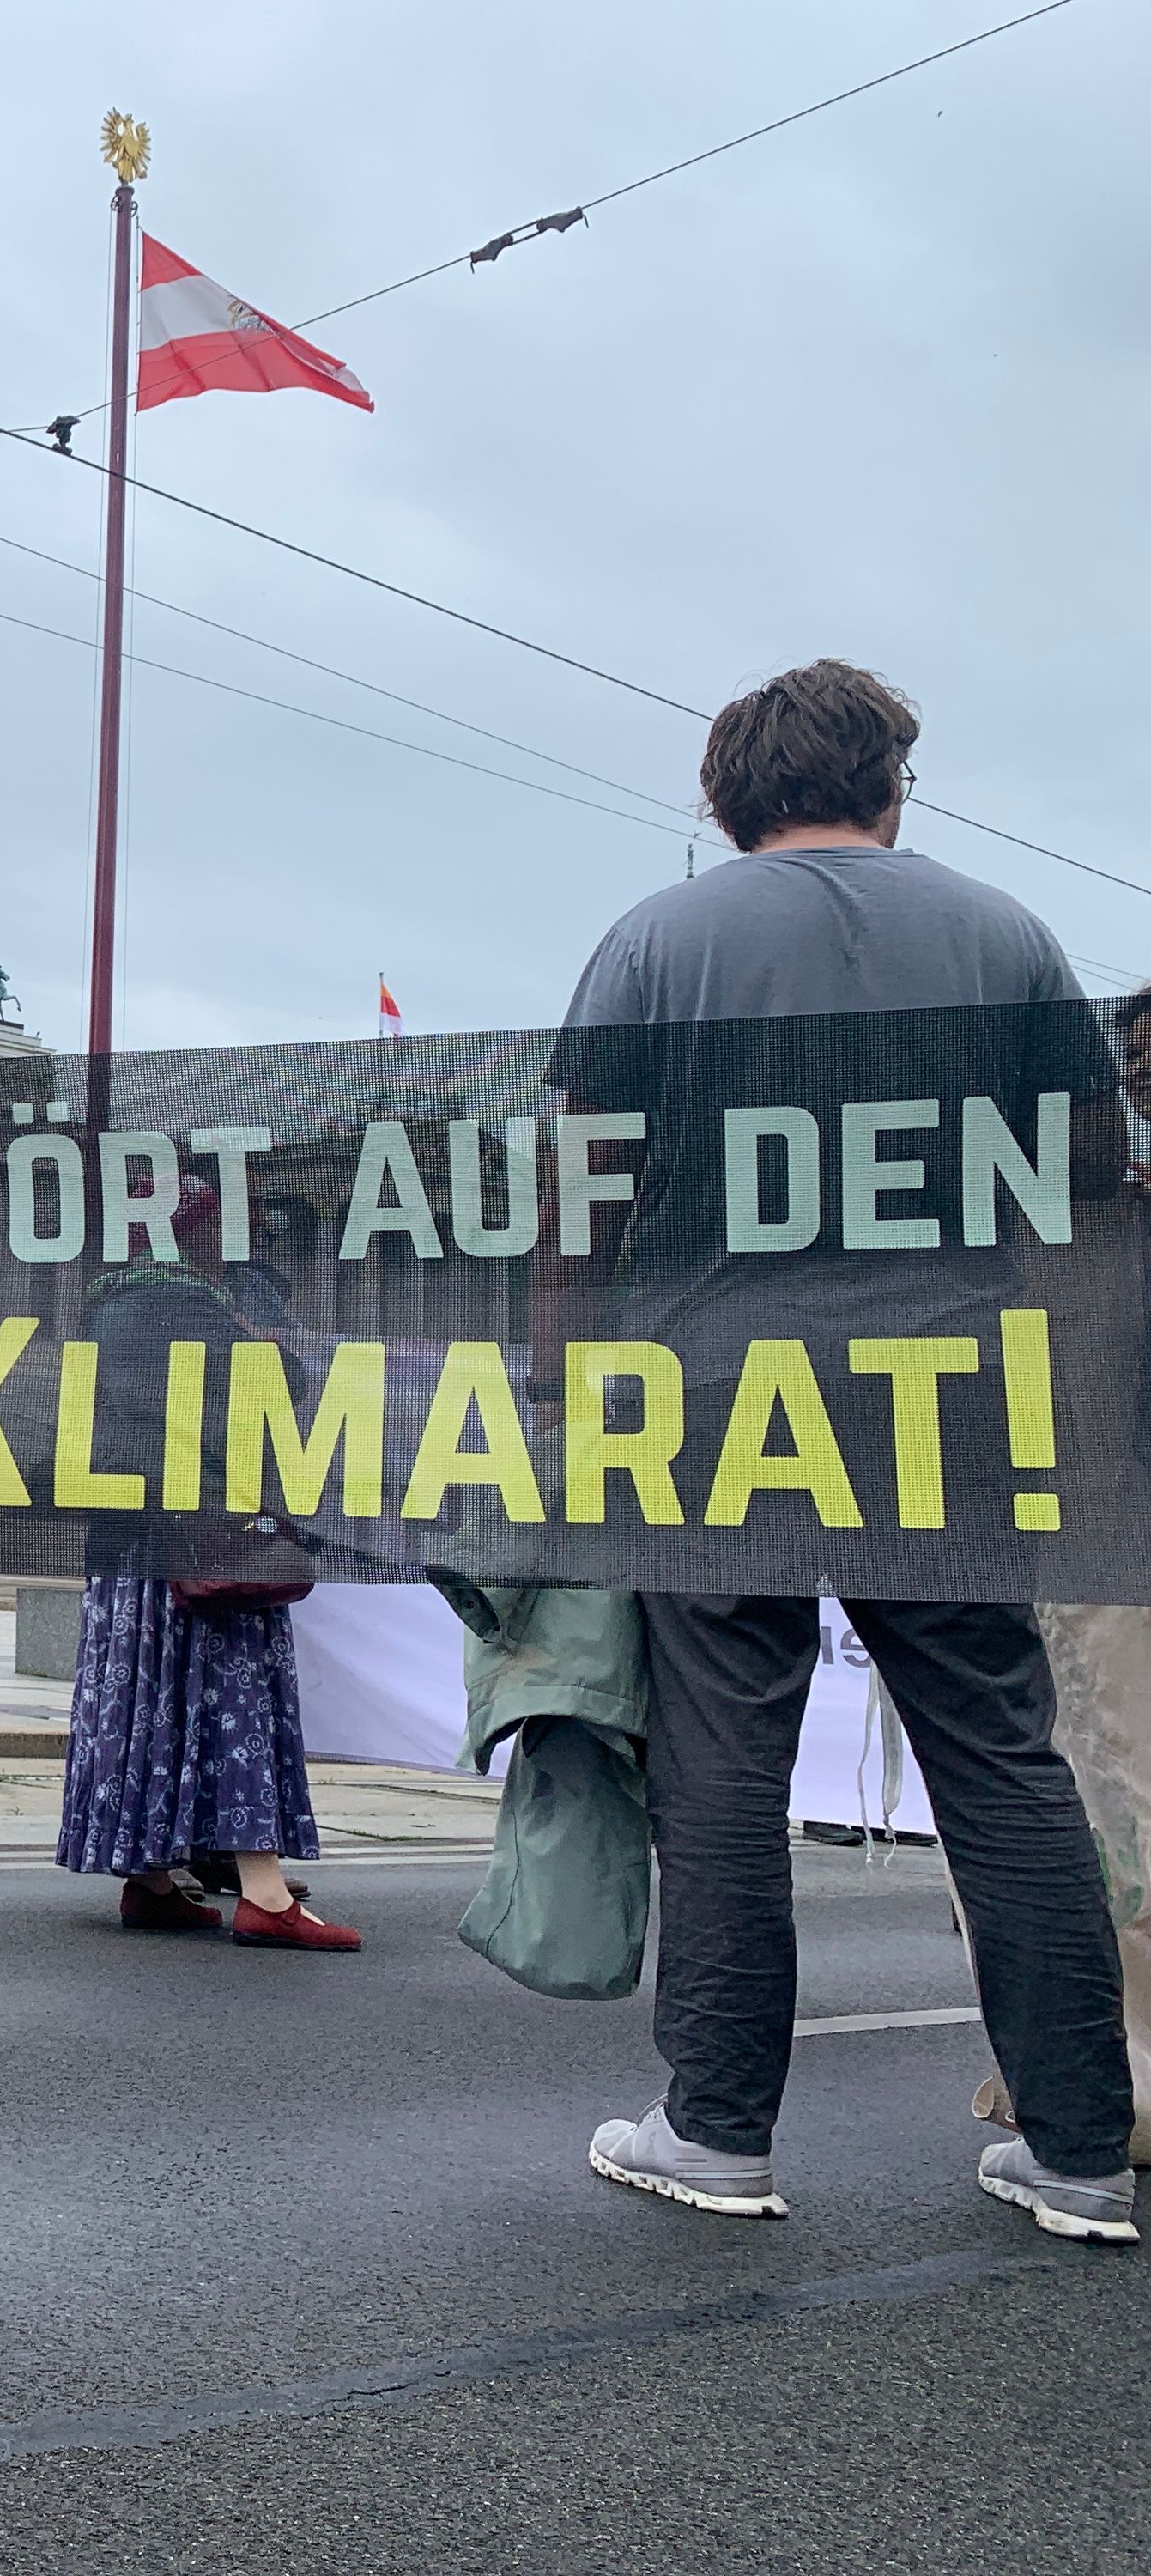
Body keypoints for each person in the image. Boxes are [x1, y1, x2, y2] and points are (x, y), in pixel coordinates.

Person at [549, 659, 1135, 2242]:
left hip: (714, 1390)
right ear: (893, 784)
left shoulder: (658, 940)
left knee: (726, 1761)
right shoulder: (1008, 935)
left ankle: (718, 2130)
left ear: (723, 799)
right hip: (945, 1390)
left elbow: (579, 1191)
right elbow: (1090, 1183)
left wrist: (559, 1392)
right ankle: (1083, 2149)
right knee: (1000, 1758)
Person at [55, 1170, 358, 1952]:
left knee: (149, 1705)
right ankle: (262, 1890)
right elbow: (274, 1388)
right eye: (233, 1220)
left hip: (129, 1540)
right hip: (202, 1538)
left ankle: (153, 1878)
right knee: (234, 1699)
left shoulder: (108, 1300)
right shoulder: (189, 1305)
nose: (245, 1235)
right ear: (191, 1231)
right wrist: (271, 1350)